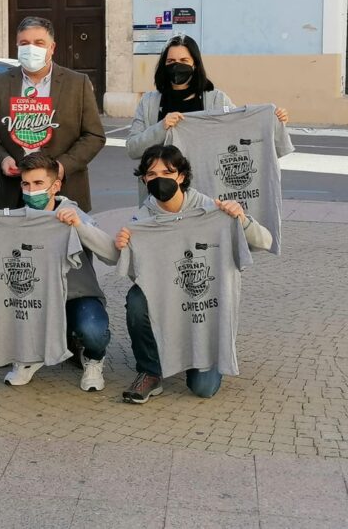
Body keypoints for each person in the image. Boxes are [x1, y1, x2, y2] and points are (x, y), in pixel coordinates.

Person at [114, 144, 273, 404]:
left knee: (204, 388)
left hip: (204, 302)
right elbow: (138, 274)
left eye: (167, 172)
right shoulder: (141, 220)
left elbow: (265, 241)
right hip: (168, 291)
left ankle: (205, 351)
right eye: (151, 174)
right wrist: (123, 246)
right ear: (144, 180)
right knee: (137, 300)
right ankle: (150, 370)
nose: (159, 179)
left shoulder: (212, 210)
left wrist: (242, 220)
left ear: (181, 176)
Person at [0, 152, 115, 391]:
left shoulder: (73, 214)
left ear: (56, 186)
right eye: (26, 184)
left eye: (39, 183)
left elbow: (112, 255)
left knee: (92, 330)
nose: (32, 191)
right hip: (32, 300)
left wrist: (79, 227)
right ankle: (26, 352)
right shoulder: (15, 219)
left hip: (75, 298)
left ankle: (92, 357)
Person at [126, 35, 287, 202]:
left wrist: (273, 121)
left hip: (207, 195)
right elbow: (132, 148)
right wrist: (160, 128)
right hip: (161, 198)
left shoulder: (216, 100)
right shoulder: (149, 103)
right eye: (171, 61)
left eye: (184, 60)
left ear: (195, 64)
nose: (176, 65)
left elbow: (240, 130)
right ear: (163, 65)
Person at [0, 16, 105, 212]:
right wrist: (2, 159)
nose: (31, 48)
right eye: (24, 43)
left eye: (39, 43)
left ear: (52, 47)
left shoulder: (77, 83)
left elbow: (94, 135)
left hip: (65, 194)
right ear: (17, 46)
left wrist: (62, 167)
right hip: (14, 194)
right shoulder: (0, 83)